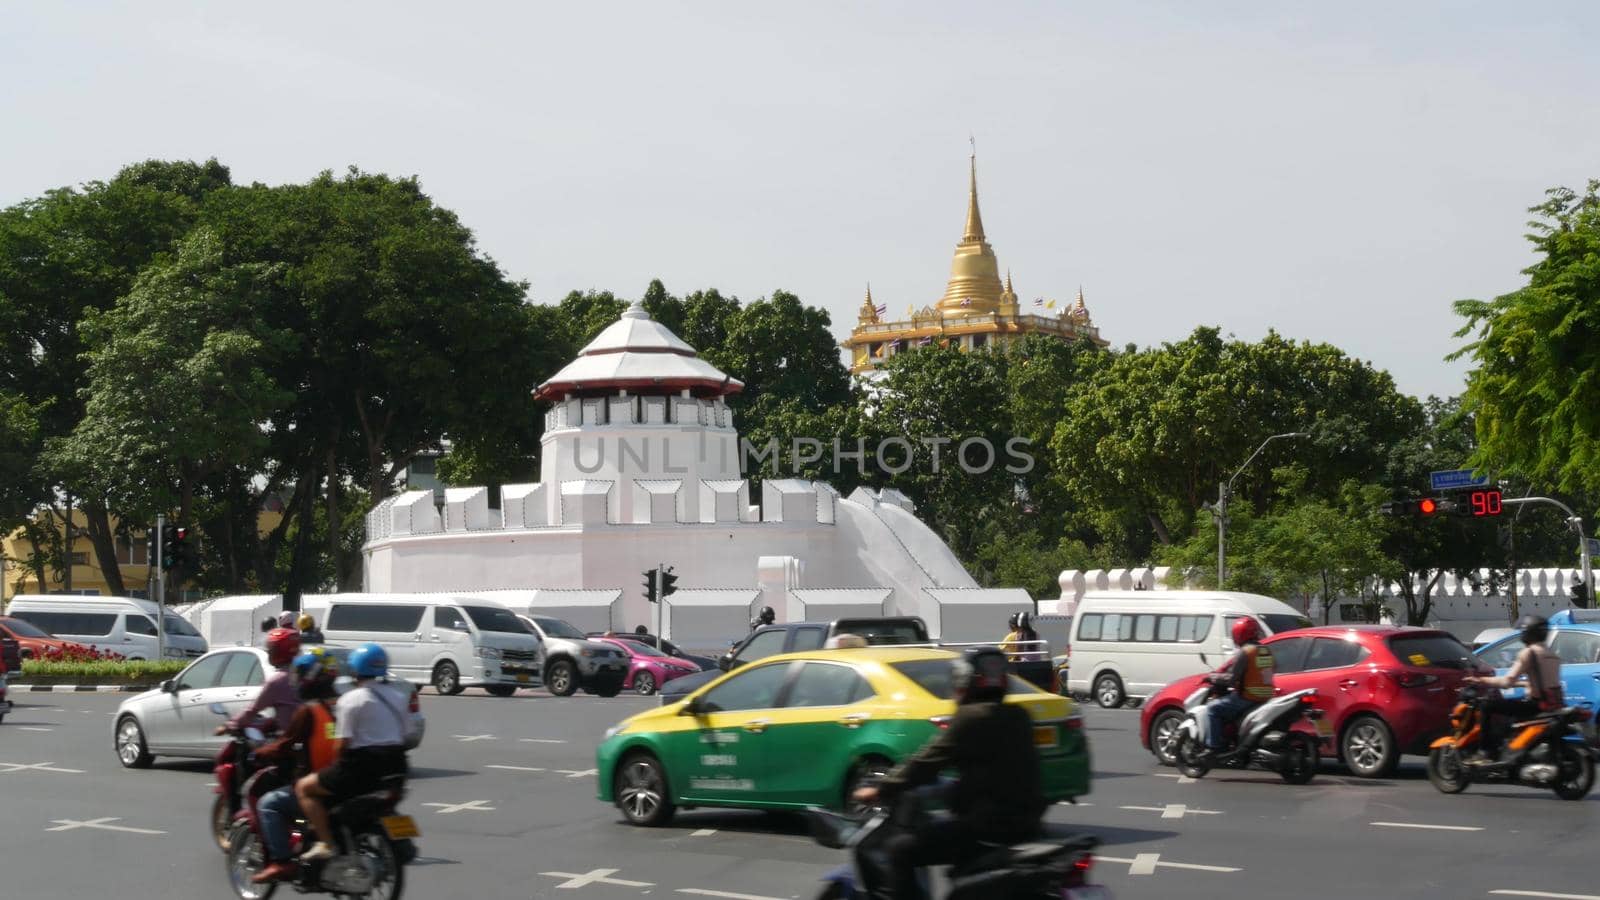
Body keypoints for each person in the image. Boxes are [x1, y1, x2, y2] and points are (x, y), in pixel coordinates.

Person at [851, 647, 1045, 900]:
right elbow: (996, 770)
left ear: (964, 681)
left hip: (987, 827)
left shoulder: (971, 718)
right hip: (1028, 824)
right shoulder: (1019, 717)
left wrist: (881, 789)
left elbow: (926, 762)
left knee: (900, 851)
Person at [295, 643, 412, 862]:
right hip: (397, 768)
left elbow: (341, 745)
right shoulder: (399, 697)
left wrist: (334, 769)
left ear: (354, 670)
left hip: (361, 769)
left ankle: (327, 844)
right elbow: (406, 734)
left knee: (304, 788)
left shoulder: (350, 700)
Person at [250, 648, 342, 883]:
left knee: (268, 804)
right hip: (343, 779)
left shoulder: (309, 711)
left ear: (310, 677)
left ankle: (282, 862)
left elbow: (285, 745)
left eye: (300, 675)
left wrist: (260, 753)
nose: (297, 681)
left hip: (318, 781)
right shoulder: (339, 706)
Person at [1464, 614, 1564, 763]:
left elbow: (1507, 681)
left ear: (1528, 633)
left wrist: (1480, 680)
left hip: (1534, 705)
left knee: (1486, 705)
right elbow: (1540, 682)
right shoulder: (1552, 655)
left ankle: (1485, 752)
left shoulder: (1528, 653)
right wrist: (1523, 684)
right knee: (1510, 706)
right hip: (1552, 705)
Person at [1200, 618, 1276, 754]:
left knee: (1212, 708)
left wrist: (1212, 677)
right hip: (1266, 697)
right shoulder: (1266, 650)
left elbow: (1231, 679)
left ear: (1238, 635)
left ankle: (1214, 747)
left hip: (1247, 697)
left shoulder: (1245, 652)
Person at [221, 627, 301, 735]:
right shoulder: (301, 675)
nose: (268, 652)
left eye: (271, 649)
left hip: (288, 742)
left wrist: (230, 725)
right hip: (302, 740)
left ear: (278, 651)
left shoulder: (277, 681)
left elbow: (252, 711)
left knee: (259, 752)